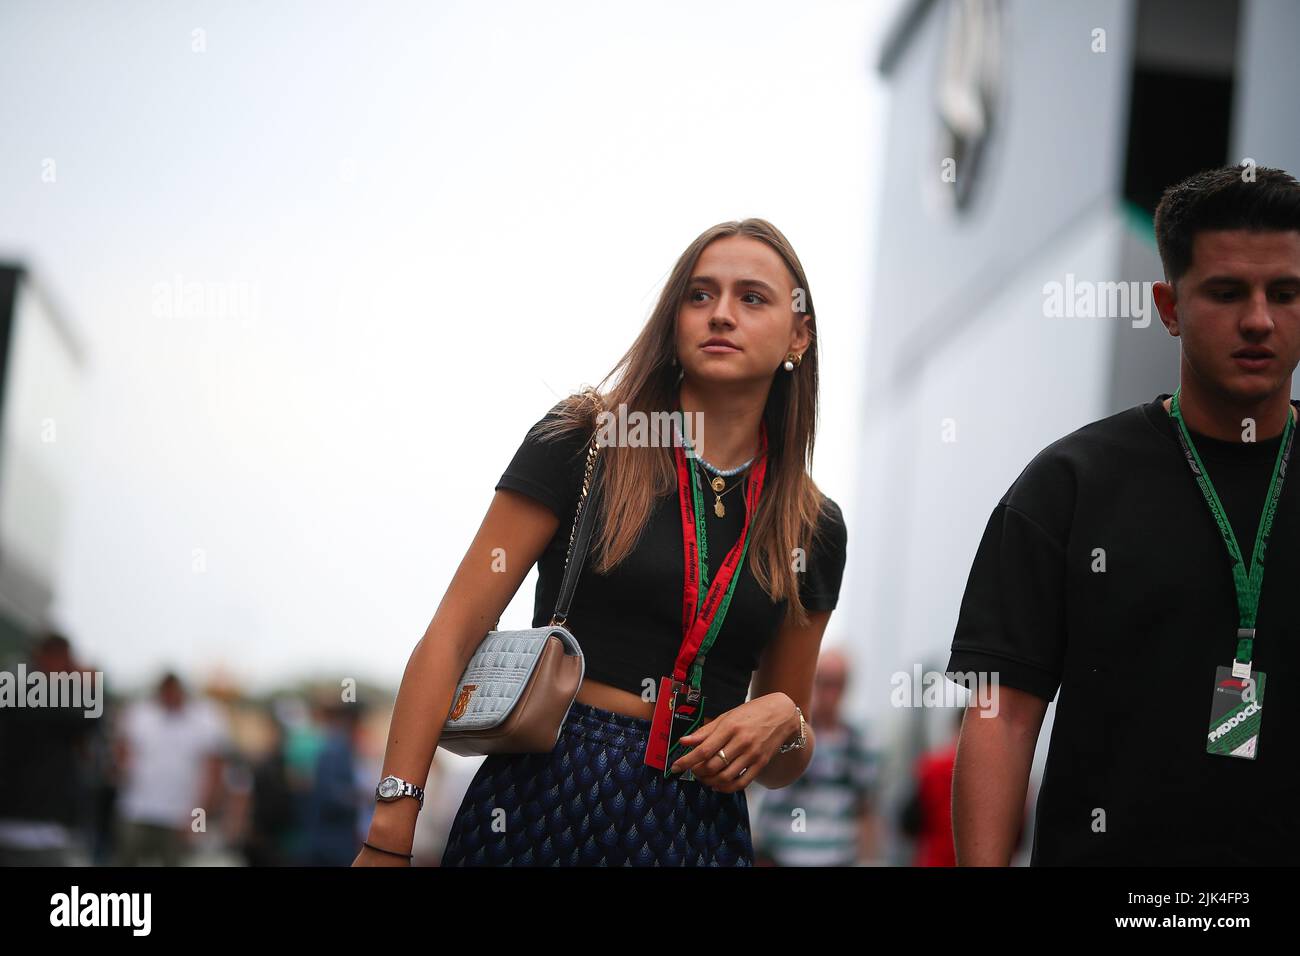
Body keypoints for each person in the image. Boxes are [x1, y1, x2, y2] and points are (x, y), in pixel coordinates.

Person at [354, 218, 848, 866]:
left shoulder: (812, 526)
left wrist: (786, 716)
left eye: (751, 298)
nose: (720, 314)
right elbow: (451, 633)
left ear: (798, 333)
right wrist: (391, 830)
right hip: (543, 791)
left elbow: (783, 765)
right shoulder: (584, 441)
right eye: (699, 296)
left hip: (697, 825)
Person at [946, 164, 1300, 865]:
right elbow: (1003, 716)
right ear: (1169, 307)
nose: (1258, 319)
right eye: (1227, 293)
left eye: (1285, 293)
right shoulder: (1066, 487)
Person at [751, 649, 879, 866]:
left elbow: (866, 810)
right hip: (780, 856)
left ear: (845, 687)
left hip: (836, 858)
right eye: (822, 682)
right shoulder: (785, 732)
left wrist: (867, 859)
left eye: (836, 684)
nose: (828, 693)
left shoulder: (858, 744)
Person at [114, 672, 229, 865]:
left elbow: (214, 775)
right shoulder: (139, 715)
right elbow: (121, 756)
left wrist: (198, 821)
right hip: (136, 810)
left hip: (182, 815)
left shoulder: (205, 720)